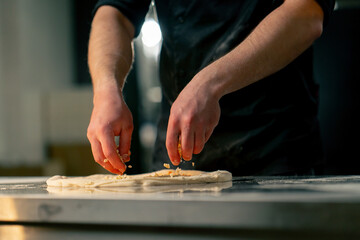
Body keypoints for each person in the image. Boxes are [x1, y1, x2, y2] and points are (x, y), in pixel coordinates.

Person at [87, 0, 335, 176]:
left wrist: (210, 83)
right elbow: (114, 12)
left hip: (275, 150)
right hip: (177, 159)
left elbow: (306, 12)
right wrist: (106, 89)